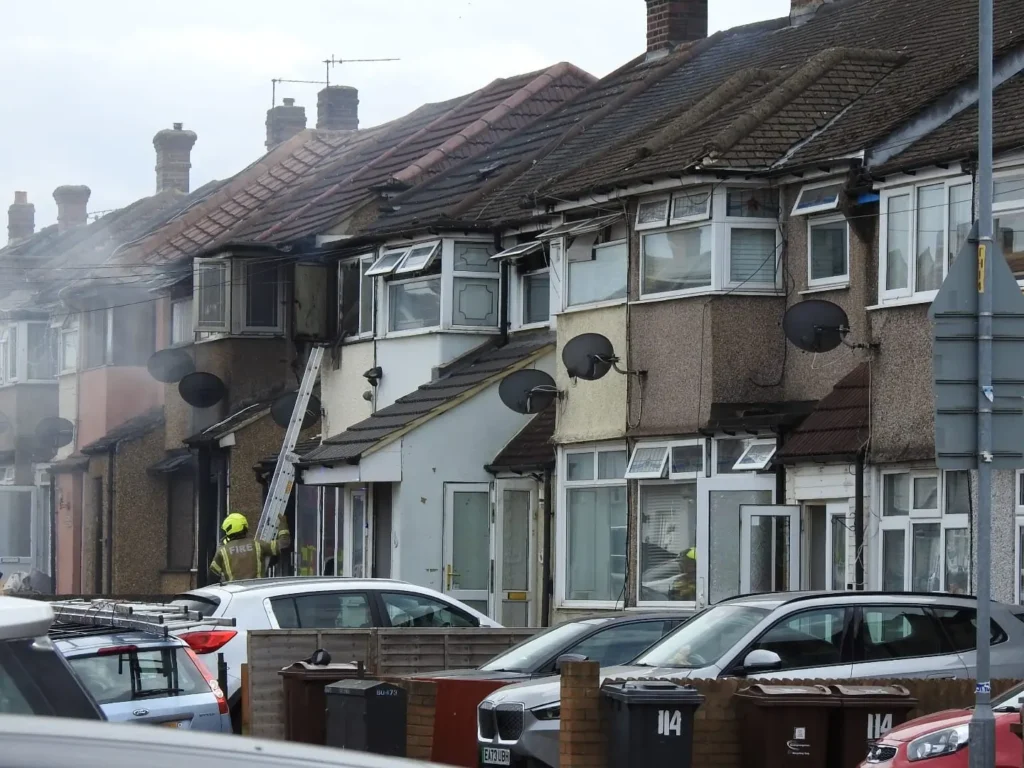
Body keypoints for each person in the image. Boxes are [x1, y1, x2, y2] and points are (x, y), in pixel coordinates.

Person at [209, 512, 291, 582]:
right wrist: (283, 524)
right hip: (256, 592)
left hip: (234, 595)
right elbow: (284, 544)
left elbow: (212, 576)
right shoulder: (257, 545)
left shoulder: (222, 551)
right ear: (245, 527)